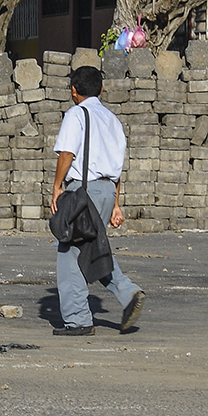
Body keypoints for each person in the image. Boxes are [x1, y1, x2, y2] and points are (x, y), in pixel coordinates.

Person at [49, 66, 145, 336]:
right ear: (101, 89)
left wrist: (57, 188)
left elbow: (66, 153)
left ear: (74, 91)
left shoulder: (77, 114)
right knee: (93, 249)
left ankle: (78, 319)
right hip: (106, 191)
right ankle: (128, 293)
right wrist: (115, 203)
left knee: (69, 253)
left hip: (83, 192)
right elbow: (117, 166)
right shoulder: (112, 120)